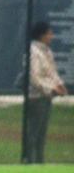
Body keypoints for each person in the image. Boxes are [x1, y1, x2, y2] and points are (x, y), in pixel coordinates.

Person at [24, 21, 68, 163]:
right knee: (33, 132)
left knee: (42, 133)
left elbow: (52, 72)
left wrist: (59, 84)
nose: (51, 36)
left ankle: (39, 161)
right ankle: (29, 161)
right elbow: (34, 77)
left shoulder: (47, 51)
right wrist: (51, 88)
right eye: (49, 33)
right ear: (41, 35)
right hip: (36, 98)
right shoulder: (33, 52)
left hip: (47, 97)